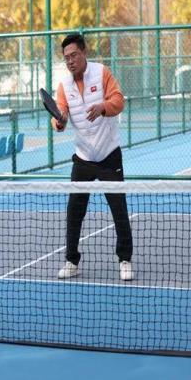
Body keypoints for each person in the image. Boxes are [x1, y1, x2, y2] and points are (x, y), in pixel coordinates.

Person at [54, 34, 133, 281]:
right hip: (83, 157)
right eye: (66, 58)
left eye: (74, 55)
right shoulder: (63, 85)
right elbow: (60, 115)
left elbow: (119, 101)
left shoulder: (102, 73)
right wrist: (59, 121)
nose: (70, 61)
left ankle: (125, 260)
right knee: (74, 212)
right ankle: (71, 261)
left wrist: (103, 107)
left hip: (109, 155)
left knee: (119, 210)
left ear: (84, 52)